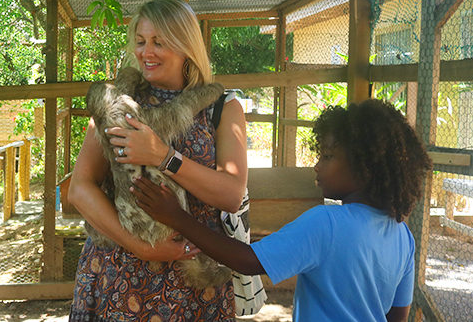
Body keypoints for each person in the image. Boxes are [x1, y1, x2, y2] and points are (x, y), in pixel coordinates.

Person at [133, 98, 433, 322]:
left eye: (328, 156)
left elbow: (248, 261)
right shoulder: (403, 236)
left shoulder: (327, 224)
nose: (317, 165)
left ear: (365, 168)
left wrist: (177, 217)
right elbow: (397, 317)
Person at [68, 0, 248, 320]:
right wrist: (138, 245)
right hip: (121, 273)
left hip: (195, 276)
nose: (145, 53)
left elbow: (232, 195)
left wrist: (164, 156)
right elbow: (79, 188)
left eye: (158, 42)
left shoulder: (223, 107)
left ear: (185, 46)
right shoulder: (117, 104)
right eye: (140, 41)